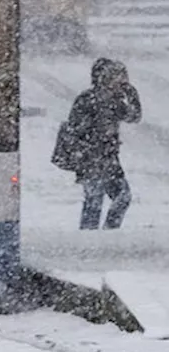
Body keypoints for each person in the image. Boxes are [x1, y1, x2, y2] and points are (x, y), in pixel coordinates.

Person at [53, 58, 142, 230]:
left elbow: (134, 116)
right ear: (104, 77)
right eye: (117, 75)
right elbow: (75, 130)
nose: (121, 80)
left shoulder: (115, 101)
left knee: (122, 196)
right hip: (89, 159)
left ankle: (107, 232)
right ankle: (89, 237)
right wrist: (90, 145)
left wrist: (131, 94)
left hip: (109, 159)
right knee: (94, 201)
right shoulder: (87, 99)